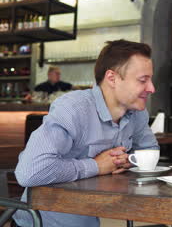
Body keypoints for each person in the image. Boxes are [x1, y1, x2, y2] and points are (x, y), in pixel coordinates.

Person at [13, 40, 159, 227]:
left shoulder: (137, 113)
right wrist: (96, 166)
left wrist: (128, 160)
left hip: (93, 219)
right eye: (142, 80)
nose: (152, 88)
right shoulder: (73, 109)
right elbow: (29, 172)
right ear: (112, 78)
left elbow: (150, 150)